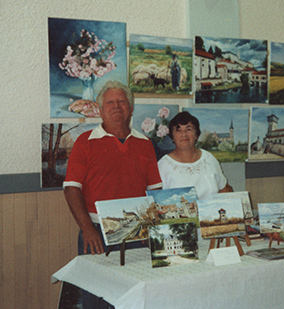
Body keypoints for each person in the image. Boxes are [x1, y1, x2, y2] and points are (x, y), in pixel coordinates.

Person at [63, 80, 162, 306]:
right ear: (99, 109)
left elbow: (155, 191)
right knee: (96, 297)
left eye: (121, 101)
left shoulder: (145, 143)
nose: (116, 106)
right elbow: (71, 189)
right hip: (97, 233)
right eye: (110, 102)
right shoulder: (85, 142)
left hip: (138, 231)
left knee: (134, 295)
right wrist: (87, 229)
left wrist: (154, 233)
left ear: (131, 108)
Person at [157, 111, 232, 200]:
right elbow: (158, 201)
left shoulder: (209, 158)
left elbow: (224, 190)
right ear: (172, 137)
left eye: (188, 129)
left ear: (196, 135)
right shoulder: (163, 165)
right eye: (178, 130)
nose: (184, 134)